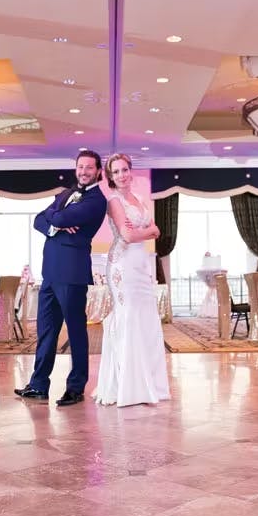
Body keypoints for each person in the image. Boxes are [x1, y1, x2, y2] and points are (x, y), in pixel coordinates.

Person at [15, 150, 108, 407]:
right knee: (46, 332)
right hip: (50, 274)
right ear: (75, 168)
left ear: (98, 171)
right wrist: (55, 223)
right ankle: (38, 385)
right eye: (80, 166)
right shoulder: (67, 193)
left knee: (76, 332)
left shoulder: (97, 200)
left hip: (73, 273)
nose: (84, 171)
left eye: (89, 167)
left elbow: (55, 216)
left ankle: (76, 387)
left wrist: (54, 219)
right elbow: (38, 220)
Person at [93, 153, 170, 407]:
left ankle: (151, 384)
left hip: (141, 265)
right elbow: (126, 235)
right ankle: (128, 387)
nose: (121, 175)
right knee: (128, 317)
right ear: (110, 176)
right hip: (122, 265)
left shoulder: (139, 199)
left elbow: (153, 229)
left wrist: (143, 232)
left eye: (124, 169)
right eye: (115, 172)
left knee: (146, 319)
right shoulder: (113, 201)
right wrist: (148, 231)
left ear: (130, 171)